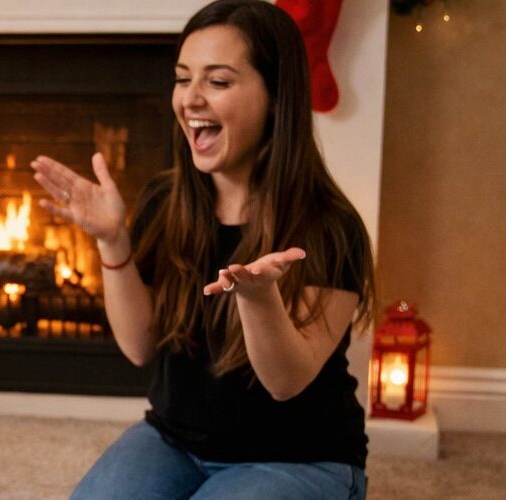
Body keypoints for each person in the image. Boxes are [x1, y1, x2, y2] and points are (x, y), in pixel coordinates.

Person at [30, 1, 374, 498]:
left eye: (218, 81)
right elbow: (139, 345)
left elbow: (286, 382)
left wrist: (258, 299)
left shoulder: (331, 227)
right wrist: (113, 241)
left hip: (300, 456)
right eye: (182, 78)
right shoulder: (165, 202)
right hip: (174, 441)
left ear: (277, 96)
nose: (190, 99)